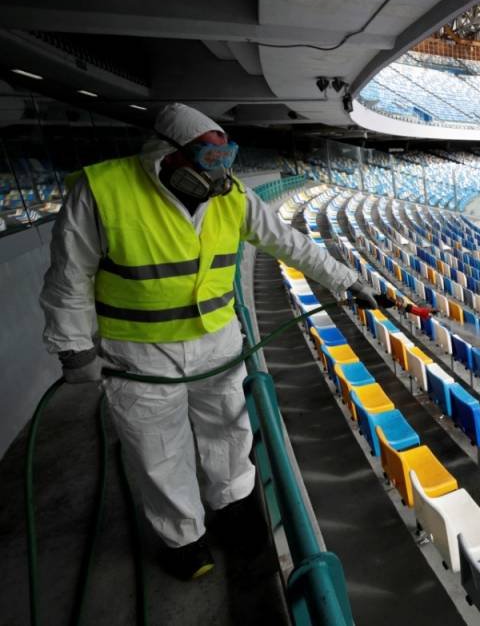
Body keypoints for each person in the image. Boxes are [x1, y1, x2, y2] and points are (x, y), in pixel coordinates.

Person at [39, 103, 379, 581]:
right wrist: (74, 347)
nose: (221, 171)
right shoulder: (101, 190)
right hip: (138, 355)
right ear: (168, 155)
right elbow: (69, 277)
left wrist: (347, 281)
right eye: (209, 158)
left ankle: (235, 512)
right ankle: (184, 540)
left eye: (226, 157)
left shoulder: (233, 197)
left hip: (217, 345)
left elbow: (288, 242)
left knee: (230, 431)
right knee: (158, 449)